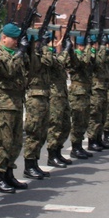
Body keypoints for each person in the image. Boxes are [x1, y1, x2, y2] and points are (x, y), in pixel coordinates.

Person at [0, 23, 29, 193]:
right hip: (3, 104)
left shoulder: (14, 54)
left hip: (16, 102)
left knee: (15, 142)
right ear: (3, 37)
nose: (16, 42)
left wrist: (26, 51)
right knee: (3, 143)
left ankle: (9, 174)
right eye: (14, 39)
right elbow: (8, 71)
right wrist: (20, 53)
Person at [22, 32, 55, 180]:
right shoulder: (31, 56)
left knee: (42, 133)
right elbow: (47, 62)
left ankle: (34, 162)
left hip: (44, 96)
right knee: (34, 132)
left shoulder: (38, 53)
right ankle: (29, 165)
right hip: (35, 97)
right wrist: (43, 48)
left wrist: (43, 48)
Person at [45, 34, 73, 168]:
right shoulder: (47, 56)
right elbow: (58, 63)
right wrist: (65, 50)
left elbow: (67, 63)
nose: (57, 43)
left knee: (65, 125)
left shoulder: (56, 55)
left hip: (62, 95)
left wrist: (68, 51)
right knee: (55, 126)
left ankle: (58, 151)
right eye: (54, 40)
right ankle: (52, 155)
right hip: (54, 96)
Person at [67, 35, 94, 159]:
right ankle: (75, 147)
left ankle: (79, 146)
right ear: (79, 45)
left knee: (84, 120)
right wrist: (89, 46)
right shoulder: (76, 55)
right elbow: (85, 61)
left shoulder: (84, 53)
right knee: (78, 120)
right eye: (83, 45)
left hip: (85, 91)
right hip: (77, 92)